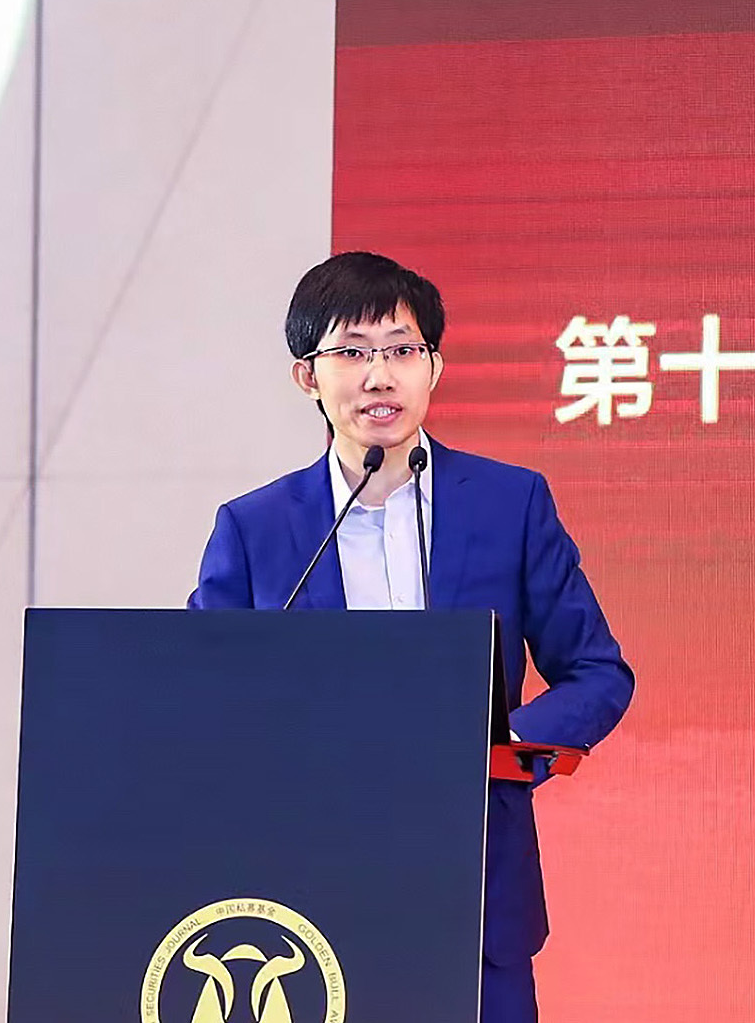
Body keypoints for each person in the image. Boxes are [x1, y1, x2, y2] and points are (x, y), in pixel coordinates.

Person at [188, 251, 635, 1023]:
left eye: (401, 350)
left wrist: (501, 742)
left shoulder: (509, 503)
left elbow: (597, 672)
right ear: (308, 377)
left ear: (435, 367)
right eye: (352, 353)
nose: (379, 376)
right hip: (306, 899)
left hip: (477, 893)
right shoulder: (256, 528)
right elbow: (199, 694)